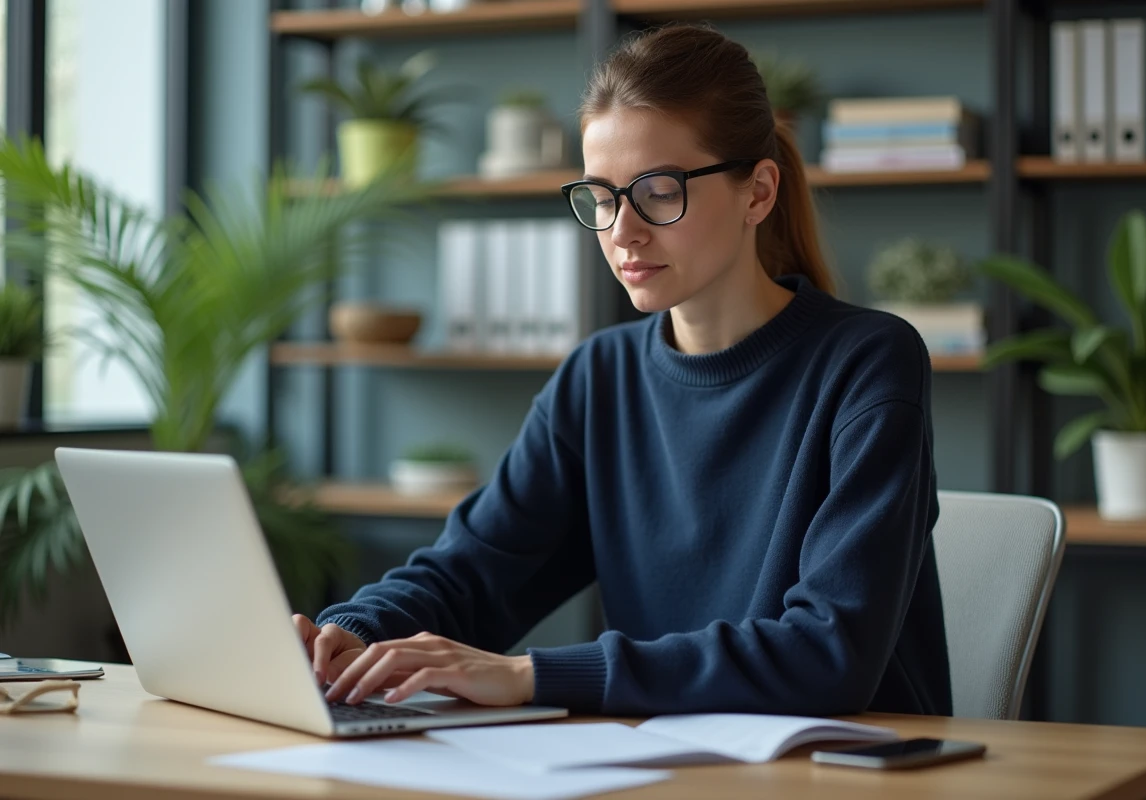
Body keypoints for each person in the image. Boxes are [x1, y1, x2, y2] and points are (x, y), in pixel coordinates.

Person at [295, 23, 952, 718]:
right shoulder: (597, 378)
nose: (622, 231)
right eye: (602, 197)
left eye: (658, 191)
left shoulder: (869, 363)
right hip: (666, 767)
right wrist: (352, 633)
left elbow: (829, 654)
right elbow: (473, 571)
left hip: (843, 772)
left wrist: (530, 676)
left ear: (758, 193)